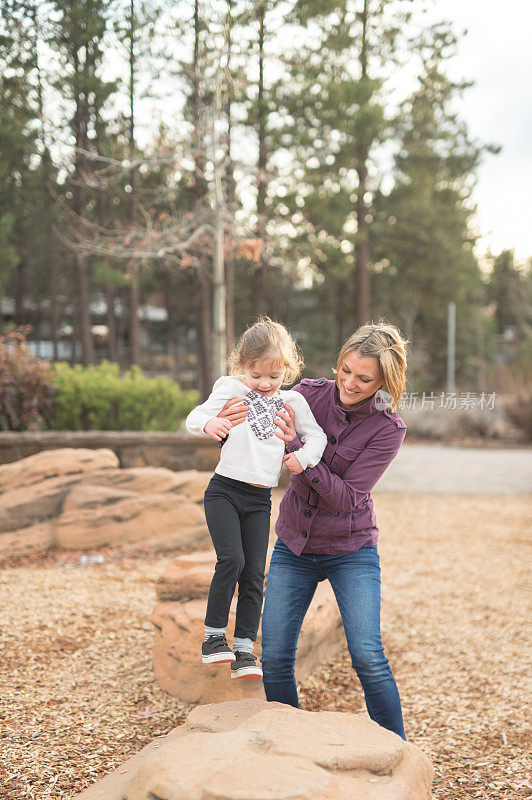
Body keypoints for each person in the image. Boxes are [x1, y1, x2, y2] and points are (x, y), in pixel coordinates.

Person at [217, 321, 409, 737]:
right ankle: (293, 746)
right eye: (345, 370)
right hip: (294, 545)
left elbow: (343, 497)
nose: (350, 383)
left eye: (364, 379)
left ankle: (398, 750)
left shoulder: (387, 429)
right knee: (278, 656)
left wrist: (296, 450)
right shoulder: (305, 395)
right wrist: (225, 429)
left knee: (368, 656)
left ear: (382, 383)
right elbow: (254, 437)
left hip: (351, 550)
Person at [185, 317, 327, 679]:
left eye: (274, 376)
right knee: (231, 559)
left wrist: (302, 457)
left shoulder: (292, 400)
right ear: (241, 367)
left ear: (287, 371)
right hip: (224, 492)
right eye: (256, 375)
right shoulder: (230, 387)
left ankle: (245, 650)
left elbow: (318, 439)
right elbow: (194, 416)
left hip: (259, 500)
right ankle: (214, 638)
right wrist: (210, 424)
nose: (264, 384)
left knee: (253, 573)